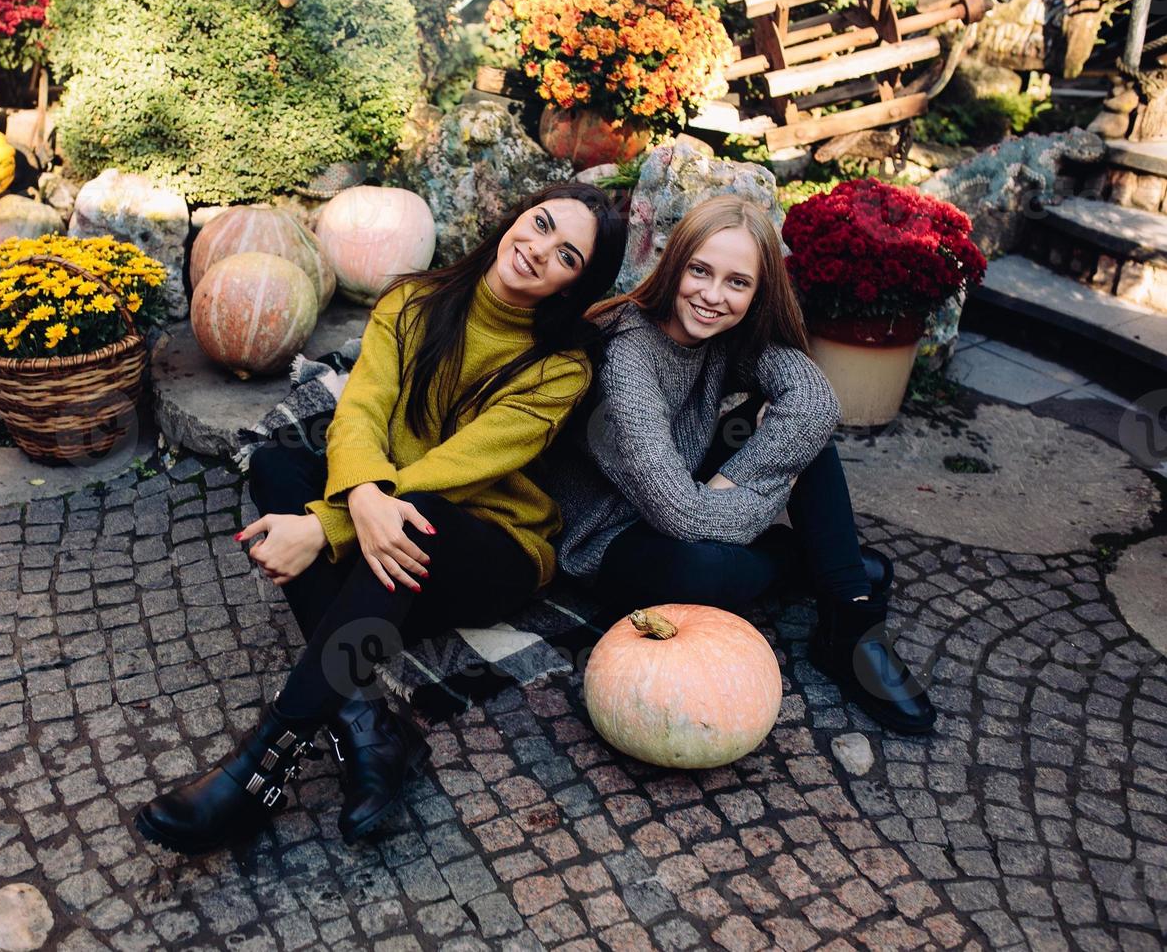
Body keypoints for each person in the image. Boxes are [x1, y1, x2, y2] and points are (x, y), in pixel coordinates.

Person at [135, 183, 630, 855]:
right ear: (515, 216)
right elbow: (361, 411)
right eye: (539, 224)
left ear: (577, 283)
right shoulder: (412, 299)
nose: (539, 249)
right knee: (279, 467)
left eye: (567, 254)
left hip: (490, 546)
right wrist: (359, 499)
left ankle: (262, 765)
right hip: (387, 518)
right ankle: (368, 723)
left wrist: (328, 526)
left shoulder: (560, 368)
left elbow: (462, 467)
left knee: (414, 512)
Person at [548, 194, 936, 735]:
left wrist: (727, 485)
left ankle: (850, 627)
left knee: (806, 435)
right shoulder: (628, 354)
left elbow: (815, 402)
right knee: (703, 570)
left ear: (757, 293)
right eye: (700, 271)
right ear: (675, 264)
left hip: (684, 487)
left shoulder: (729, 337)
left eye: (737, 282)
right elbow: (682, 516)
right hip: (608, 537)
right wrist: (756, 492)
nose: (712, 296)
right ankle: (818, 567)